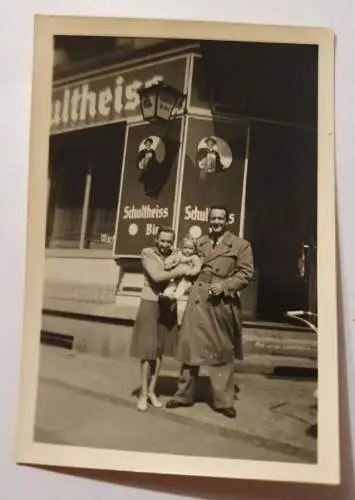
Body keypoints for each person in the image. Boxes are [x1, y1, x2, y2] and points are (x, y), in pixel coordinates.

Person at [166, 206, 254, 419]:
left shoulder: (240, 245)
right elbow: (186, 259)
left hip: (220, 303)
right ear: (209, 220)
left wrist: (224, 285)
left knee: (222, 349)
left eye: (220, 218)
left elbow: (246, 273)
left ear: (227, 220)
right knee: (189, 346)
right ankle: (183, 394)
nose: (216, 222)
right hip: (197, 300)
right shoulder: (201, 242)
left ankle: (223, 401)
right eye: (213, 218)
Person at [130, 226, 189, 412]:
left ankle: (152, 392)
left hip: (167, 306)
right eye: (162, 240)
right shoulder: (147, 253)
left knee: (160, 351)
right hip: (150, 304)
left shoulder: (176, 255)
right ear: (156, 240)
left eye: (169, 241)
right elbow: (156, 276)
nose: (165, 244)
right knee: (148, 352)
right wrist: (181, 270)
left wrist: (182, 266)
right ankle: (142, 393)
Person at [158, 235, 202, 305]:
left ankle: (175, 296)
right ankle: (166, 295)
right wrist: (168, 264)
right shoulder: (178, 254)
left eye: (190, 248)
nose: (187, 250)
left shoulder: (194, 258)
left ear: (195, 250)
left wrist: (191, 272)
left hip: (186, 279)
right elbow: (171, 259)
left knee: (182, 286)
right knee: (171, 285)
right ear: (181, 247)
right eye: (185, 248)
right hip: (175, 278)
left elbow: (197, 267)